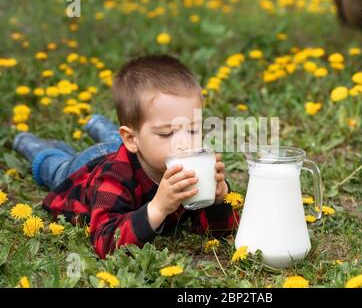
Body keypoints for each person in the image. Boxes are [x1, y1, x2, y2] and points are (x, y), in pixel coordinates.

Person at [13, 55, 238, 259]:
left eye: (193, 130)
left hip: (129, 147)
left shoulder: (187, 166)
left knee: (124, 139)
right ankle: (29, 143)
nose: (185, 143)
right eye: (167, 133)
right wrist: (158, 207)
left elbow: (215, 231)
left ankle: (98, 124)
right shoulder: (113, 177)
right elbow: (106, 241)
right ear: (130, 139)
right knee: (59, 168)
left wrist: (219, 199)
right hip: (88, 166)